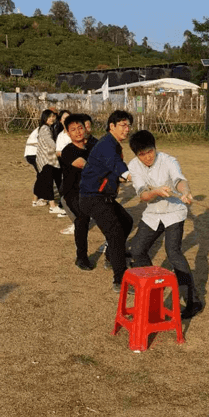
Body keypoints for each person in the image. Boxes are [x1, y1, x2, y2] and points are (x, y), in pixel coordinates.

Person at [128, 130, 203, 319]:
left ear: (155, 147)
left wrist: (185, 191)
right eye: (142, 154)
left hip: (173, 214)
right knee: (137, 250)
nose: (147, 157)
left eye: (149, 152)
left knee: (173, 252)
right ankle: (154, 287)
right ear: (136, 155)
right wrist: (157, 192)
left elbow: (179, 180)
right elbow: (143, 195)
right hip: (153, 214)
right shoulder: (134, 166)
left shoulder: (169, 160)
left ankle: (193, 301)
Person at [79, 110, 134, 292]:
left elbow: (111, 170)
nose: (127, 129)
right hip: (92, 197)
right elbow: (115, 164)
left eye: (128, 126)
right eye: (123, 125)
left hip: (103, 196)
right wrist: (127, 174)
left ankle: (112, 256)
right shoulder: (107, 145)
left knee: (126, 222)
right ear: (112, 126)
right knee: (115, 232)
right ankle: (120, 279)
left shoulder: (113, 144)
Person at [59, 114, 98, 269]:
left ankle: (114, 251)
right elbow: (86, 166)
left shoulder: (92, 147)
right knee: (82, 219)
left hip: (92, 191)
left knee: (116, 218)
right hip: (73, 193)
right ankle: (81, 257)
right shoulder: (68, 151)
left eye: (80, 128)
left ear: (86, 128)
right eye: (73, 130)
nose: (78, 132)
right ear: (68, 133)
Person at [34, 109, 64, 214]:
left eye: (53, 117)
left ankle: (38, 201)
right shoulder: (45, 129)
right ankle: (52, 206)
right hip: (47, 160)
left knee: (48, 182)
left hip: (46, 159)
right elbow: (50, 142)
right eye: (50, 116)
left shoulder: (46, 128)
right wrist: (59, 149)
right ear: (45, 117)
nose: (52, 119)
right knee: (49, 183)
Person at [24, 126, 47, 207]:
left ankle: (38, 197)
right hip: (34, 153)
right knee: (42, 175)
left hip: (34, 153)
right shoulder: (44, 128)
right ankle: (38, 198)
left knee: (41, 175)